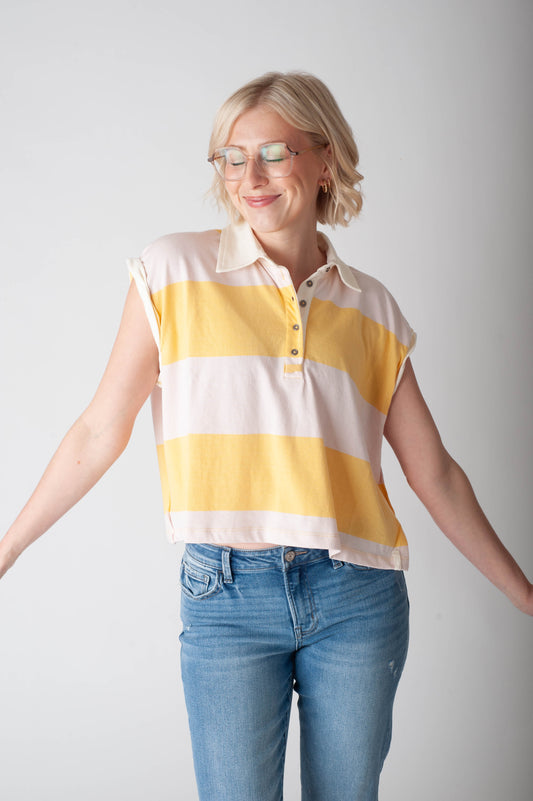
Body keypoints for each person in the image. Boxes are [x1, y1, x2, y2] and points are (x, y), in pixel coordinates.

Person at [1, 71, 531, 801]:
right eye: (230, 155)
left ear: (324, 160)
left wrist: (524, 596)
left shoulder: (372, 308)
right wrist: (8, 547)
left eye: (275, 153)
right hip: (224, 594)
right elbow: (99, 428)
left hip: (357, 594)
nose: (249, 176)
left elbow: (433, 472)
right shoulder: (171, 271)